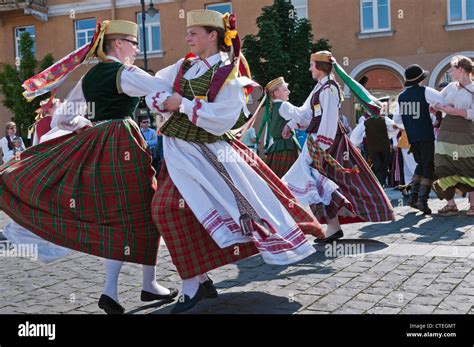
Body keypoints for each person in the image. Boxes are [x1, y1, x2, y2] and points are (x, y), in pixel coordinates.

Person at [145, 9, 323, 313]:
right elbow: (154, 87)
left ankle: (193, 283)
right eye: (187, 33)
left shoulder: (229, 74)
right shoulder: (183, 65)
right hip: (176, 154)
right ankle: (198, 279)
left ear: (213, 36)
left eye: (194, 33)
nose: (187, 38)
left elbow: (224, 118)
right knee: (176, 210)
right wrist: (161, 100)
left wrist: (183, 104)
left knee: (168, 210)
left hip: (208, 154)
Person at [0, 20, 178, 314]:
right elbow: (163, 88)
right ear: (118, 44)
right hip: (124, 143)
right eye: (134, 44)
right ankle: (147, 284)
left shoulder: (90, 76)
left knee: (115, 216)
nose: (136, 49)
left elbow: (62, 120)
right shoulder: (126, 71)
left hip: (99, 145)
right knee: (147, 211)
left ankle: (117, 290)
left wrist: (86, 125)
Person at [280, 51, 394, 242]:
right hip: (319, 142)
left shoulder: (329, 89)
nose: (309, 68)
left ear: (320, 67)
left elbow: (329, 119)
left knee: (332, 183)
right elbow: (306, 114)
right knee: (322, 183)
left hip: (329, 144)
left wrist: (322, 145)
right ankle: (332, 227)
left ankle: (330, 226)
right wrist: (290, 121)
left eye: (312, 65)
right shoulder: (319, 88)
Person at [397, 64, 445, 215]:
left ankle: (413, 197)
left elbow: (398, 120)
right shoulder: (426, 91)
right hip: (425, 134)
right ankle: (422, 200)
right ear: (420, 79)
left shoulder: (401, 96)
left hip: (412, 136)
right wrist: (435, 109)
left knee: (420, 164)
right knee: (428, 166)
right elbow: (443, 100)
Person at [433, 56, 474, 216]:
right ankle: (451, 204)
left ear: (461, 70)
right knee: (444, 165)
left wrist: (453, 111)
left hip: (466, 132)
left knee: (468, 166)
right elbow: (437, 100)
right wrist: (436, 106)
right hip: (447, 131)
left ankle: (473, 205)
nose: (451, 71)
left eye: (453, 68)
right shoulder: (450, 87)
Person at [264, 77, 300, 178]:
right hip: (286, 147)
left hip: (275, 148)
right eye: (285, 89)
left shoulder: (272, 109)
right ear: (276, 93)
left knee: (276, 179)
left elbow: (269, 133)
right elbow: (301, 117)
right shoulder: (284, 106)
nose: (289, 91)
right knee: (290, 178)